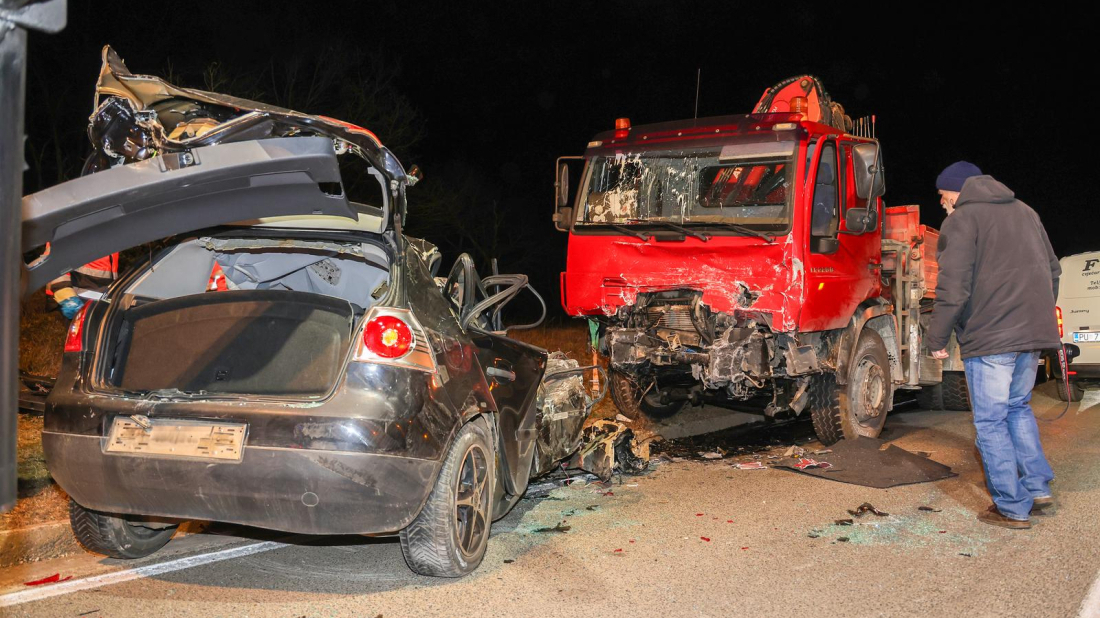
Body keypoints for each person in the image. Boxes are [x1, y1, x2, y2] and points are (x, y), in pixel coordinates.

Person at [926, 161, 1060, 529]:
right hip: (1030, 337)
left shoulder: (962, 220)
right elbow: (1053, 270)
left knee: (991, 422)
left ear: (957, 191)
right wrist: (1039, 316)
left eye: (943, 195)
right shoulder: (1026, 212)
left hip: (990, 339)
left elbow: (953, 287)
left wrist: (936, 338)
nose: (942, 203)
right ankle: (1036, 488)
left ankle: (1012, 506)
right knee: (1018, 408)